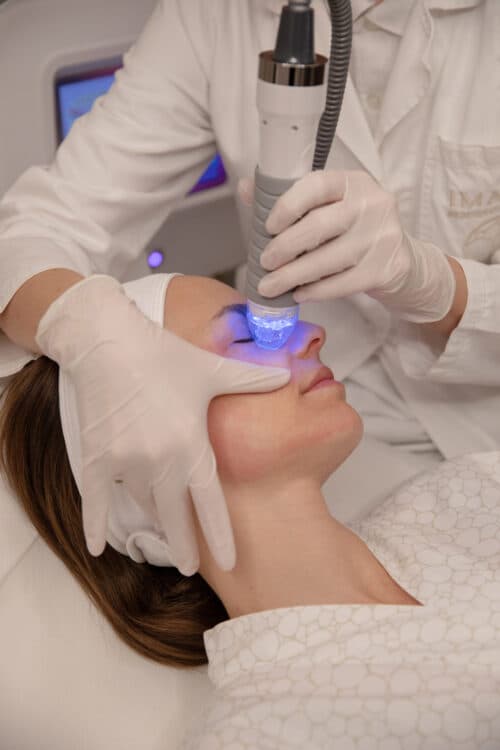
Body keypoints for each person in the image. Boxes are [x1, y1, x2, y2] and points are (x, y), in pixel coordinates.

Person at [1, 0, 499, 577]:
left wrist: (441, 286)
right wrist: (85, 325)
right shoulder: (215, 16)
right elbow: (39, 228)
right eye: (240, 335)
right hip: (338, 433)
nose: (311, 336)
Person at [1, 272, 498, 748]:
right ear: (144, 461)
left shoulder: (460, 493)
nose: (314, 334)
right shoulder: (270, 734)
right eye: (247, 337)